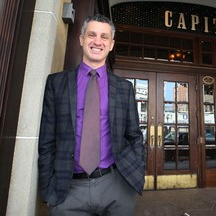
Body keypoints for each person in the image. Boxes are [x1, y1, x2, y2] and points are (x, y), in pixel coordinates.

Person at [38, 14, 145, 216]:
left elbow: (134, 135)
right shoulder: (57, 83)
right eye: (92, 35)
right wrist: (48, 188)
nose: (98, 41)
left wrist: (136, 172)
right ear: (81, 39)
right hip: (67, 190)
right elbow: (46, 141)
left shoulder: (124, 88)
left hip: (116, 185)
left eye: (104, 37)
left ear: (111, 44)